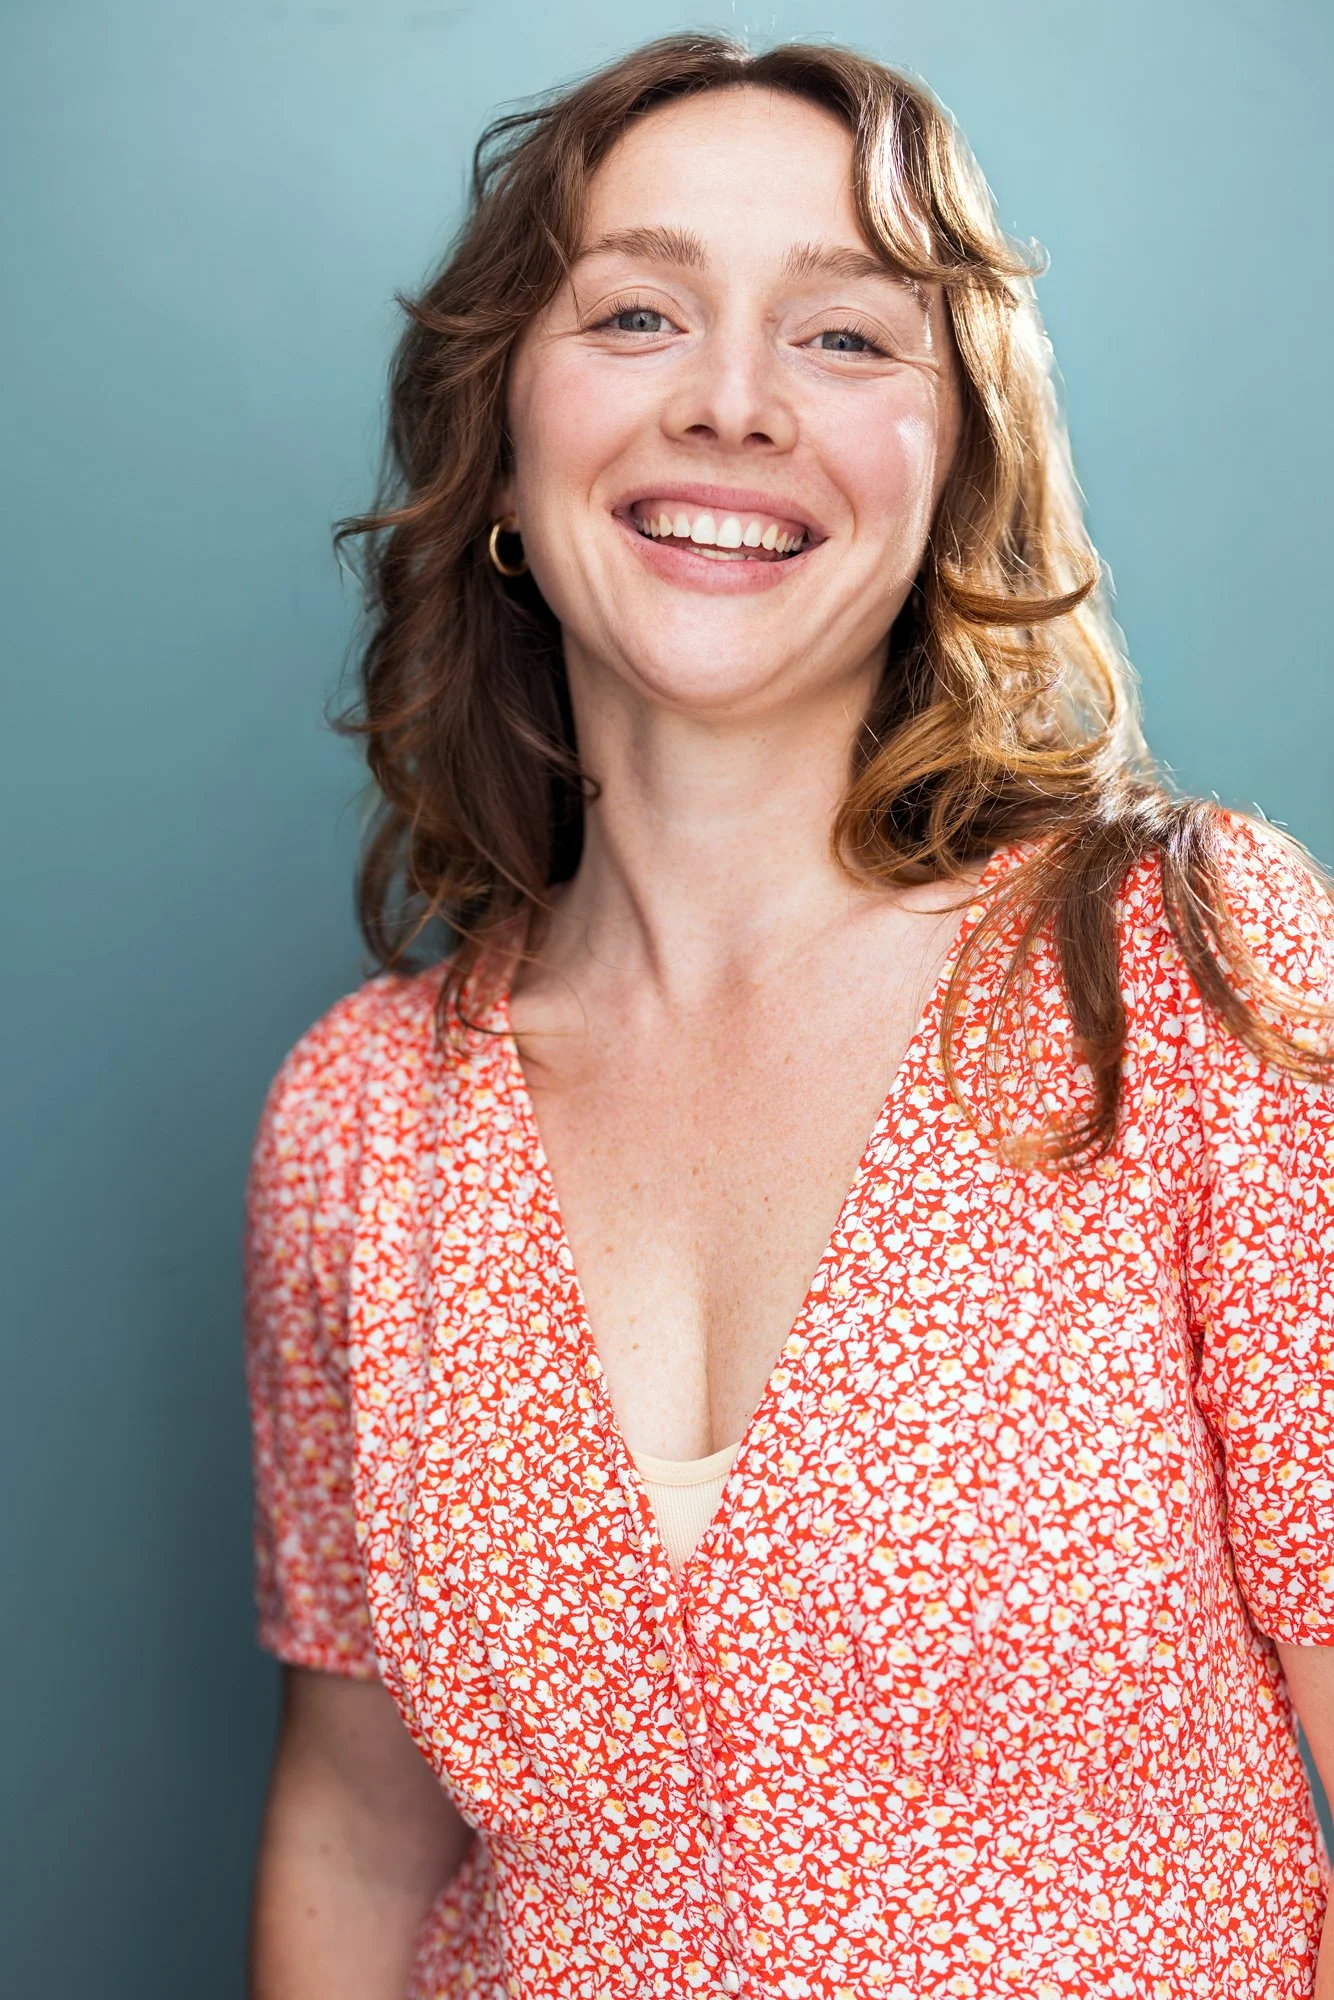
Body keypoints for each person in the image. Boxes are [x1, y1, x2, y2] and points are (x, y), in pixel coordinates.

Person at [242, 32, 1334, 2000]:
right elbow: (354, 1829)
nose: (731, 402)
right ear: (500, 437)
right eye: (640, 308)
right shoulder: (358, 1120)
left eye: (844, 338)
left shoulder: (1174, 970)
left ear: (954, 459)